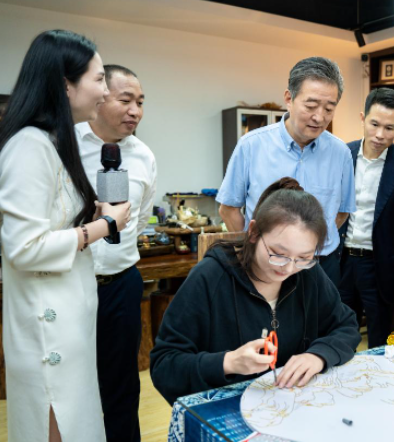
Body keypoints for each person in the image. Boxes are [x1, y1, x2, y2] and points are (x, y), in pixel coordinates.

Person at [0, 30, 131, 442]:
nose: (105, 91)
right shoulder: (29, 145)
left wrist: (92, 217)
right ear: (65, 85)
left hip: (70, 320)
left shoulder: (53, 142)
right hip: (48, 330)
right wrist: (105, 226)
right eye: (99, 79)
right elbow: (24, 247)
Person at [151, 178, 360, 405]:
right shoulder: (210, 277)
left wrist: (318, 355)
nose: (289, 268)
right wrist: (228, 362)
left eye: (304, 257)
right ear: (253, 232)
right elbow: (164, 365)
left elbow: (346, 325)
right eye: (278, 254)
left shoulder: (307, 274)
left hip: (291, 405)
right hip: (227, 409)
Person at [217, 57, 355, 286]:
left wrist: (307, 248)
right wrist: (254, 249)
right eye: (311, 106)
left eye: (329, 109)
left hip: (321, 266)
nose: (319, 117)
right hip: (265, 265)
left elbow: (341, 213)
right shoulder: (251, 146)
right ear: (289, 99)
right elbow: (228, 209)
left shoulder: (341, 153)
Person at [77, 64, 156, 442]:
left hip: (122, 285)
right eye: (126, 100)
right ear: (99, 97)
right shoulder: (64, 145)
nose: (135, 111)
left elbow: (137, 222)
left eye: (140, 102)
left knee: (122, 385)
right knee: (72, 385)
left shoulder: (143, 155)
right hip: (71, 284)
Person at [339, 88, 394, 348]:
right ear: (363, 118)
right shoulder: (342, 155)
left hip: (381, 265)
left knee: (381, 339)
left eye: (389, 128)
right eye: (374, 124)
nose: (379, 134)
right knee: (338, 333)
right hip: (341, 260)